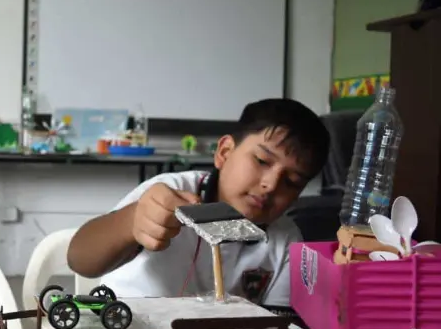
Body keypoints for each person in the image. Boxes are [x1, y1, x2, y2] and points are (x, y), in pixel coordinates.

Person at [67, 98, 330, 307]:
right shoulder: (169, 192)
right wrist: (133, 221)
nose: (271, 185)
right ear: (224, 152)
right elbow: (80, 260)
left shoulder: (286, 242)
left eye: (292, 181)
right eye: (261, 161)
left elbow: (278, 327)